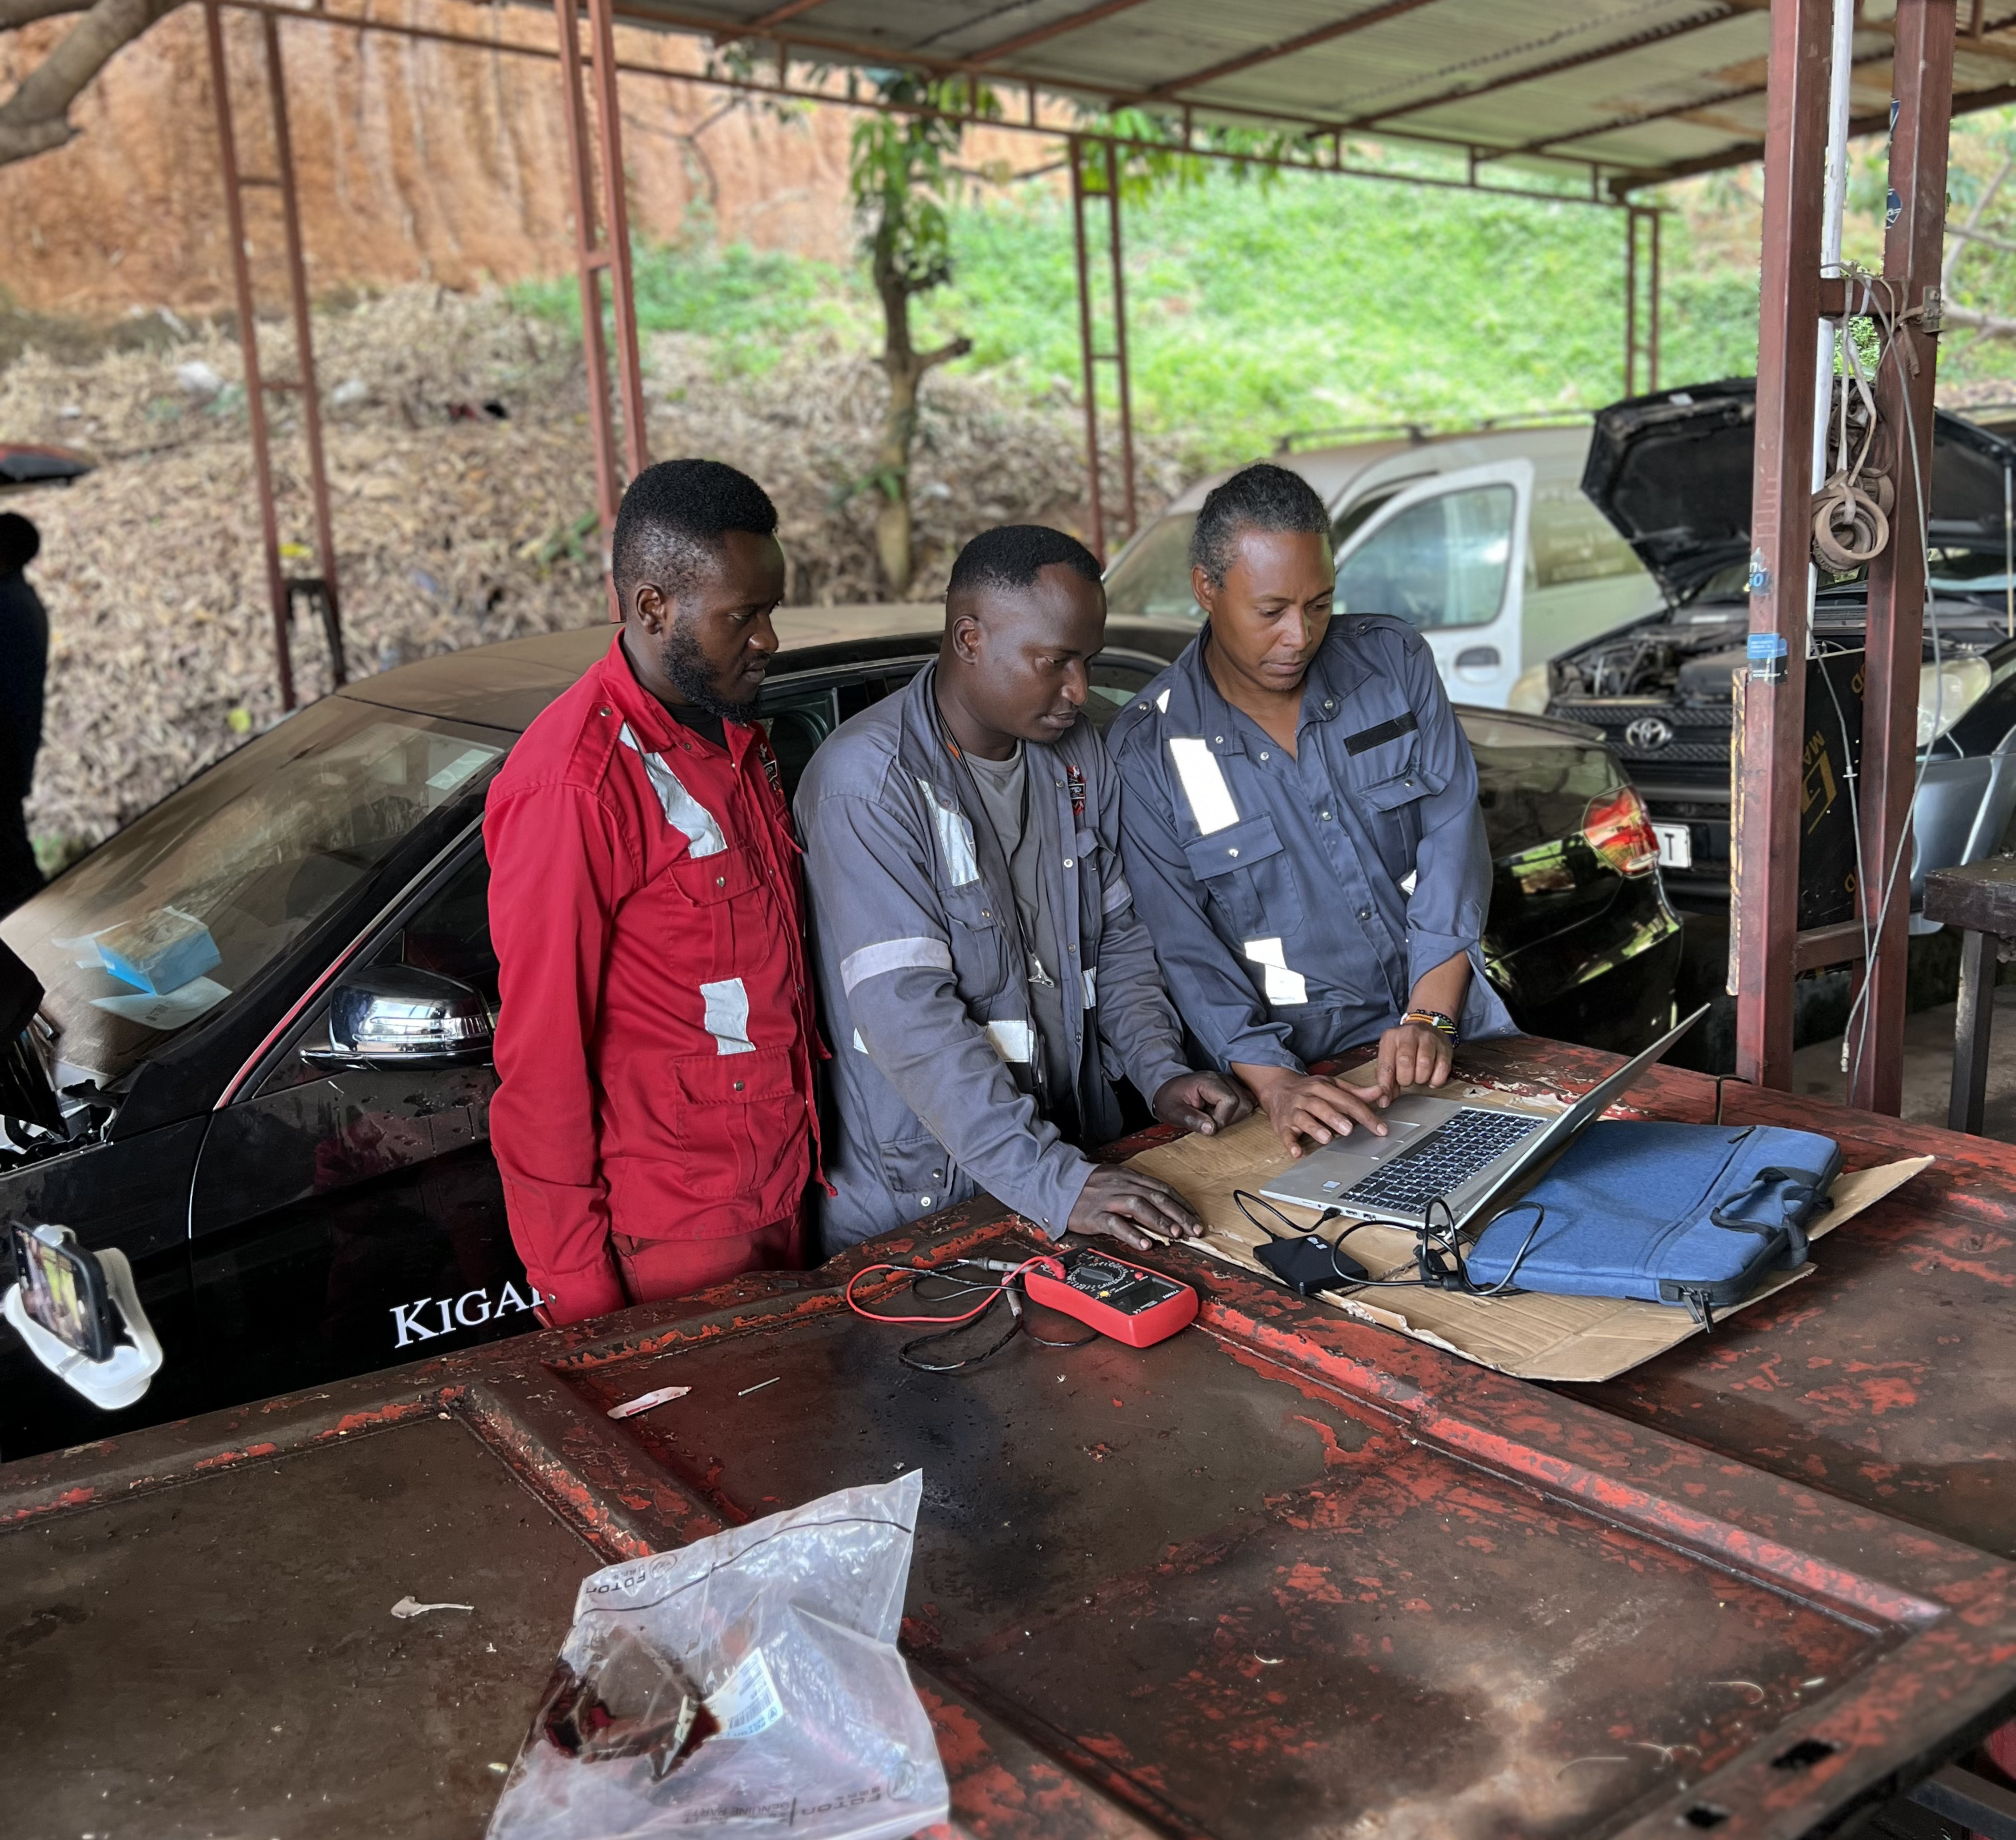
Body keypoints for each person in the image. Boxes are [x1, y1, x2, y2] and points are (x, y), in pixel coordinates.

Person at [796, 524, 1248, 1256]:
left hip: (1073, 1165)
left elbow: (1120, 941)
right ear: (969, 638)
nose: (1079, 690)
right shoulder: (869, 784)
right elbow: (909, 1017)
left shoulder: (1076, 759)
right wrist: (1052, 1181)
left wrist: (1158, 1069)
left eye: (1089, 662)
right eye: (1055, 662)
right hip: (928, 1207)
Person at [484, 459, 815, 1327]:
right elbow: (540, 1068)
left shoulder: (732, 732)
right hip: (675, 1241)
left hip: (779, 1190)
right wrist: (586, 1309)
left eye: (771, 611)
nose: (769, 639)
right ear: (652, 608)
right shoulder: (576, 788)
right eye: (744, 616)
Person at [1107, 461, 1513, 1159]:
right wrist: (1276, 1085)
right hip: (1307, 1082)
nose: (1300, 635)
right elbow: (1185, 950)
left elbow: (1451, 837)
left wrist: (1431, 1015)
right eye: (1271, 611)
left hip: (1450, 1032)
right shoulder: (1148, 751)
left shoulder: (1392, 664)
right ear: (1206, 589)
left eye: (1319, 604)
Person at [0, 512, 47, 916]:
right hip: (11, 753)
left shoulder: (8, 605)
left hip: (4, 753)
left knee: (12, 870)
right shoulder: (18, 600)